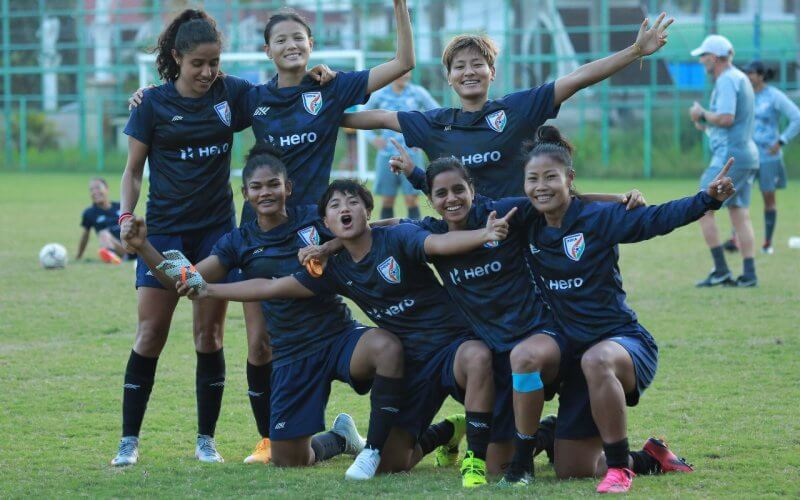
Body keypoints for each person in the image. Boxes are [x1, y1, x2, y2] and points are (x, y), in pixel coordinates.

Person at [179, 180, 514, 487]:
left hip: (450, 349)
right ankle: (446, 431)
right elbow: (273, 286)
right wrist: (208, 289)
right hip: (414, 362)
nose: (344, 209)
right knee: (392, 465)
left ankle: (478, 459)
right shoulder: (333, 268)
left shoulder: (398, 238)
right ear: (325, 224)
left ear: (367, 210)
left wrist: (483, 235)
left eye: (352, 202)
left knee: (477, 358)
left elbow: (438, 242)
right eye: (335, 206)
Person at [120, 142, 407, 472]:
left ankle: (383, 444)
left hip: (337, 337)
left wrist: (329, 246)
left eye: (273, 184)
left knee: (386, 347)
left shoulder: (313, 220)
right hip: (291, 354)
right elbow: (188, 280)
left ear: (288, 187)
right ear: (245, 193)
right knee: (290, 460)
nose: (265, 192)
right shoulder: (238, 242)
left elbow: (370, 227)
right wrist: (144, 247)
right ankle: (341, 439)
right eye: (256, 187)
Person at [380, 140, 647, 485]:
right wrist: (336, 241)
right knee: (499, 467)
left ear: (473, 190)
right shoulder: (430, 232)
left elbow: (565, 203)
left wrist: (619, 199)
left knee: (528, 373)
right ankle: (493, 431)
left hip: (544, 343)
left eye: (460, 189)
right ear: (430, 201)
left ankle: (542, 445)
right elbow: (392, 224)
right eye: (442, 194)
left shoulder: (503, 212)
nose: (453, 198)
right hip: (497, 359)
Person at [520, 125, 732, 493]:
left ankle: (619, 469)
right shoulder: (526, 223)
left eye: (550, 177)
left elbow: (655, 219)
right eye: (532, 179)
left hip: (624, 345)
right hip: (575, 362)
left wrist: (707, 199)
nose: (541, 186)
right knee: (572, 469)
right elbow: (466, 210)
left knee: (596, 359)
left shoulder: (598, 218)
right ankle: (650, 457)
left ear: (569, 178)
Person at [111, 9, 256, 467]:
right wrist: (126, 216)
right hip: (164, 235)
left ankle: (205, 441)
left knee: (209, 335)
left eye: (215, 62)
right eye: (198, 63)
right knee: (151, 332)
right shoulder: (152, 104)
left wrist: (315, 74)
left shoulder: (230, 94)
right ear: (177, 57)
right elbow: (133, 171)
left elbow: (279, 99)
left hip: (217, 234)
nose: (207, 72)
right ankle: (128, 441)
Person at [341, 13, 672, 199]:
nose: (469, 71)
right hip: (469, 238)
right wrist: (317, 115)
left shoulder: (517, 109)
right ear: (449, 78)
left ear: (492, 72)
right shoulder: (434, 123)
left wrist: (635, 51)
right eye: (459, 66)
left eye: (477, 64)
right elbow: (380, 117)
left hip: (522, 230)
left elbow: (578, 77)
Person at [235, 2, 415, 221]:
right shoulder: (254, 97)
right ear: (268, 51)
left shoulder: (332, 88)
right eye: (281, 40)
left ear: (310, 44)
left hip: (311, 222)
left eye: (298, 38)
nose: (291, 45)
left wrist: (399, 5)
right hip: (261, 223)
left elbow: (403, 63)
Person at [689, 35, 759, 287]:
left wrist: (701, 113)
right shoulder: (739, 77)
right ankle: (749, 274)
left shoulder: (727, 79)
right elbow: (730, 124)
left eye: (704, 56)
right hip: (746, 155)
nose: (701, 61)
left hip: (730, 158)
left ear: (716, 57)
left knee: (701, 207)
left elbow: (727, 118)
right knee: (740, 213)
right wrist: (705, 122)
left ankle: (720, 270)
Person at [363, 71, 439, 219]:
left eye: (407, 73)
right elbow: (362, 115)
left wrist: (424, 139)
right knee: (387, 200)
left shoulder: (418, 93)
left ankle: (416, 236)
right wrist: (373, 138)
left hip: (411, 155)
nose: (405, 76)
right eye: (401, 73)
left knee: (411, 199)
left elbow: (437, 113)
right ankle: (387, 237)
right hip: (387, 155)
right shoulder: (379, 94)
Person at [743, 61, 800, 254]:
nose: (747, 76)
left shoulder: (773, 96)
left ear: (760, 75)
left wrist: (781, 141)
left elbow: (797, 117)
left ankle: (767, 242)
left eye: (750, 73)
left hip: (768, 157)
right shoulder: (745, 95)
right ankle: (737, 239)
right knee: (740, 196)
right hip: (747, 156)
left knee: (768, 198)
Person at [77, 177, 133, 263]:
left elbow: (135, 224)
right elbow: (85, 237)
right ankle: (113, 256)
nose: (95, 192)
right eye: (92, 190)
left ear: (106, 189)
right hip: (120, 249)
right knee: (103, 234)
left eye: (98, 188)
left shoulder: (121, 206)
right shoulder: (89, 213)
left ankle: (114, 256)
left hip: (133, 245)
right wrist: (79, 256)